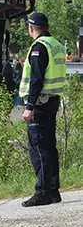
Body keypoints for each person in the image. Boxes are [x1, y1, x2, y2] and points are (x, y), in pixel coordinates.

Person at [18, 13, 66, 207]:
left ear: (31, 28)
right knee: (49, 146)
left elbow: (37, 79)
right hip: (52, 100)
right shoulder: (56, 44)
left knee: (39, 148)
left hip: (39, 104)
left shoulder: (39, 47)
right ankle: (53, 190)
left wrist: (29, 107)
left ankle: (43, 193)